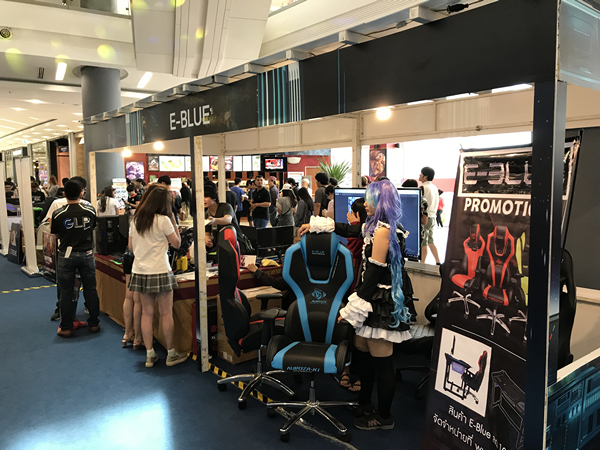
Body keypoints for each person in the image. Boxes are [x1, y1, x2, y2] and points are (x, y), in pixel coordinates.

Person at [298, 180, 412, 431]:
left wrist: (351, 311)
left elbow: (372, 276)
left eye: (370, 200)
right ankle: (365, 402)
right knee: (363, 351)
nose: (365, 204)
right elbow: (349, 229)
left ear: (380, 203)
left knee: (382, 361)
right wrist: (315, 225)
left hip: (379, 303)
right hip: (371, 299)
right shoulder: (375, 227)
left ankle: (384, 416)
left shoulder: (384, 232)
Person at [128, 187, 188, 368]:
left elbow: (131, 247)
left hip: (140, 271)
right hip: (160, 270)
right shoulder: (164, 220)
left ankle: (149, 354)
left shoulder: (136, 219)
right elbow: (177, 243)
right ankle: (171, 353)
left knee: (147, 313)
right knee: (166, 313)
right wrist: (174, 222)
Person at [51, 180, 101, 337]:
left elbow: (56, 235)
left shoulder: (58, 213)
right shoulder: (90, 210)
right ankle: (94, 323)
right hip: (87, 254)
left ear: (64, 193)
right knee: (90, 289)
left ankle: (66, 327)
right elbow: (93, 228)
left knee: (66, 291)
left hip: (66, 255)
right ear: (81, 192)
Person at [204, 185, 245, 251]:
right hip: (220, 246)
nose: (203, 199)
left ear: (214, 198)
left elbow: (228, 220)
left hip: (235, 243)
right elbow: (207, 232)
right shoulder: (206, 214)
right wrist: (208, 240)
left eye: (206, 197)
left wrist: (214, 220)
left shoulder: (225, 206)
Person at [419, 167, 440, 264]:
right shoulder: (434, 187)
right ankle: (438, 262)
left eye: (421, 174)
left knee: (424, 243)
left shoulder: (423, 187)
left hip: (425, 218)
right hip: (433, 217)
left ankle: (422, 263)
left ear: (425, 176)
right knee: (430, 241)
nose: (419, 175)